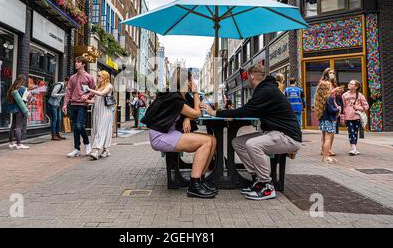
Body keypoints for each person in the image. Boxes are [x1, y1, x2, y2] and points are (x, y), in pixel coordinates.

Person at [201, 65, 302, 201]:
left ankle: (267, 186)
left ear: (252, 76)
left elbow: (245, 111)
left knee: (253, 145)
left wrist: (215, 113)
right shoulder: (265, 89)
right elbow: (248, 110)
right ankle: (258, 179)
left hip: (288, 137)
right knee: (237, 143)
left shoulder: (266, 90)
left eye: (248, 77)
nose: (247, 79)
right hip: (274, 133)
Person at [142, 67, 217, 199]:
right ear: (186, 81)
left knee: (212, 139)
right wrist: (195, 93)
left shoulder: (180, 96)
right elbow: (197, 113)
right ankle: (194, 185)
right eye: (191, 80)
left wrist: (188, 117)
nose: (192, 82)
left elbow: (191, 113)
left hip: (170, 133)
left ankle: (200, 180)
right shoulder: (173, 97)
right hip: (161, 136)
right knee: (206, 142)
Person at [63, 56, 96, 158]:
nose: (76, 64)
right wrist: (65, 104)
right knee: (75, 128)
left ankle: (87, 144)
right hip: (73, 105)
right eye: (75, 62)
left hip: (82, 105)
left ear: (83, 64)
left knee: (79, 125)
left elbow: (93, 91)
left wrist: (88, 96)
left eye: (78, 62)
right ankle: (76, 149)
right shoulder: (72, 78)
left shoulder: (89, 77)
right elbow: (68, 92)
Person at [84, 70, 114, 160]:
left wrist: (89, 90)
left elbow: (101, 94)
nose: (97, 78)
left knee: (101, 130)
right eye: (97, 76)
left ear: (104, 77)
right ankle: (106, 150)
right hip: (97, 112)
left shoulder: (109, 86)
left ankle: (96, 150)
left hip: (105, 112)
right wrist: (86, 101)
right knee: (97, 130)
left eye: (99, 76)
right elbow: (95, 100)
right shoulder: (98, 87)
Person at [315, 68, 343, 158]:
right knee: (328, 133)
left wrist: (338, 92)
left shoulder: (332, 83)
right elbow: (325, 96)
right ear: (326, 74)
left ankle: (324, 149)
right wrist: (334, 91)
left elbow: (333, 97)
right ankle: (327, 150)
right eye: (330, 73)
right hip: (326, 110)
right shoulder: (323, 83)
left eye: (333, 73)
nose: (332, 74)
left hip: (330, 108)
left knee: (327, 133)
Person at [342, 80, 369, 156]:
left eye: (352, 84)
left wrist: (359, 107)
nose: (349, 85)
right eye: (349, 83)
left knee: (355, 132)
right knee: (351, 132)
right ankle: (353, 148)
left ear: (356, 87)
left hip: (357, 116)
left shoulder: (360, 95)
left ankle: (354, 148)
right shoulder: (344, 95)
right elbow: (343, 107)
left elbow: (366, 106)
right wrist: (342, 117)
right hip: (348, 116)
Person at [6, 74, 30, 150]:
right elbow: (25, 100)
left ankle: (10, 143)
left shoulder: (12, 88)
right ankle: (19, 144)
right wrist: (30, 97)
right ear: (23, 81)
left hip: (13, 110)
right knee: (19, 127)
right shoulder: (23, 89)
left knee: (13, 126)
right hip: (20, 109)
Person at [48, 76, 69, 141]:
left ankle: (57, 134)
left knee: (59, 119)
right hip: (52, 103)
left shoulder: (65, 87)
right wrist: (63, 94)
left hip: (58, 104)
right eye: (69, 83)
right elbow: (52, 94)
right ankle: (53, 135)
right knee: (55, 119)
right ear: (66, 81)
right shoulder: (59, 85)